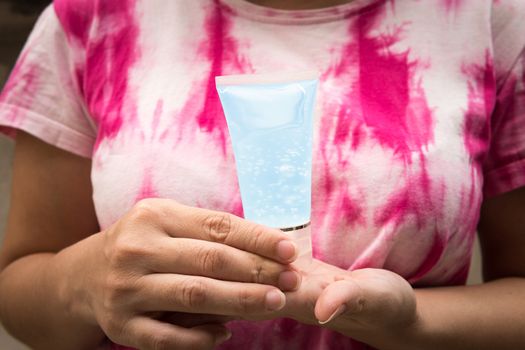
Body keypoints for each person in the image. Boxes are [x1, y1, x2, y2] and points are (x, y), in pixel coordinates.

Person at [0, 0, 524, 349]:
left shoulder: (490, 17)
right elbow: (17, 294)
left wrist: (412, 325)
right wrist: (85, 282)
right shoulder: (91, 15)